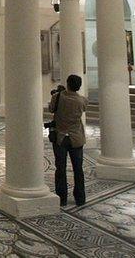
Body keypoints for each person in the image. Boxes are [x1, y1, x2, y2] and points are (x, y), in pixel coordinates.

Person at [49, 74, 88, 206]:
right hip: (76, 137)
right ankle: (80, 198)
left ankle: (62, 198)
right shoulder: (82, 100)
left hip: (60, 137)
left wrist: (58, 94)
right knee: (78, 169)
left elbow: (51, 109)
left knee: (60, 168)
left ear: (68, 83)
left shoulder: (58, 97)